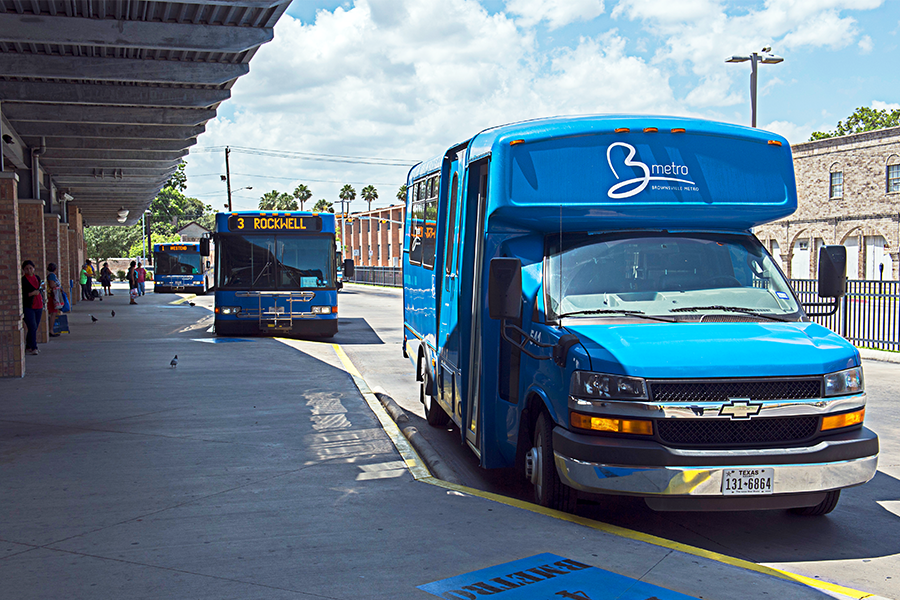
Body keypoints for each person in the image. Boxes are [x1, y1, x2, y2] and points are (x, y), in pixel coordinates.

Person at [21, 260, 44, 355]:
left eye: (30, 268)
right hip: (28, 307)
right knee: (32, 326)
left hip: (39, 305)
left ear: (34, 268)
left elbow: (41, 289)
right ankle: (34, 347)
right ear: (23, 270)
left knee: (34, 327)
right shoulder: (23, 280)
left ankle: (28, 346)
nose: (29, 270)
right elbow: (22, 294)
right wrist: (31, 294)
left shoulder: (37, 278)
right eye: (26, 269)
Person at [46, 262, 62, 337]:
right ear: (55, 269)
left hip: (53, 296)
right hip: (53, 296)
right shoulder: (52, 275)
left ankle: (50, 329)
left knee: (53, 312)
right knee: (53, 312)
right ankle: (51, 330)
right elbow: (52, 285)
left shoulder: (50, 275)